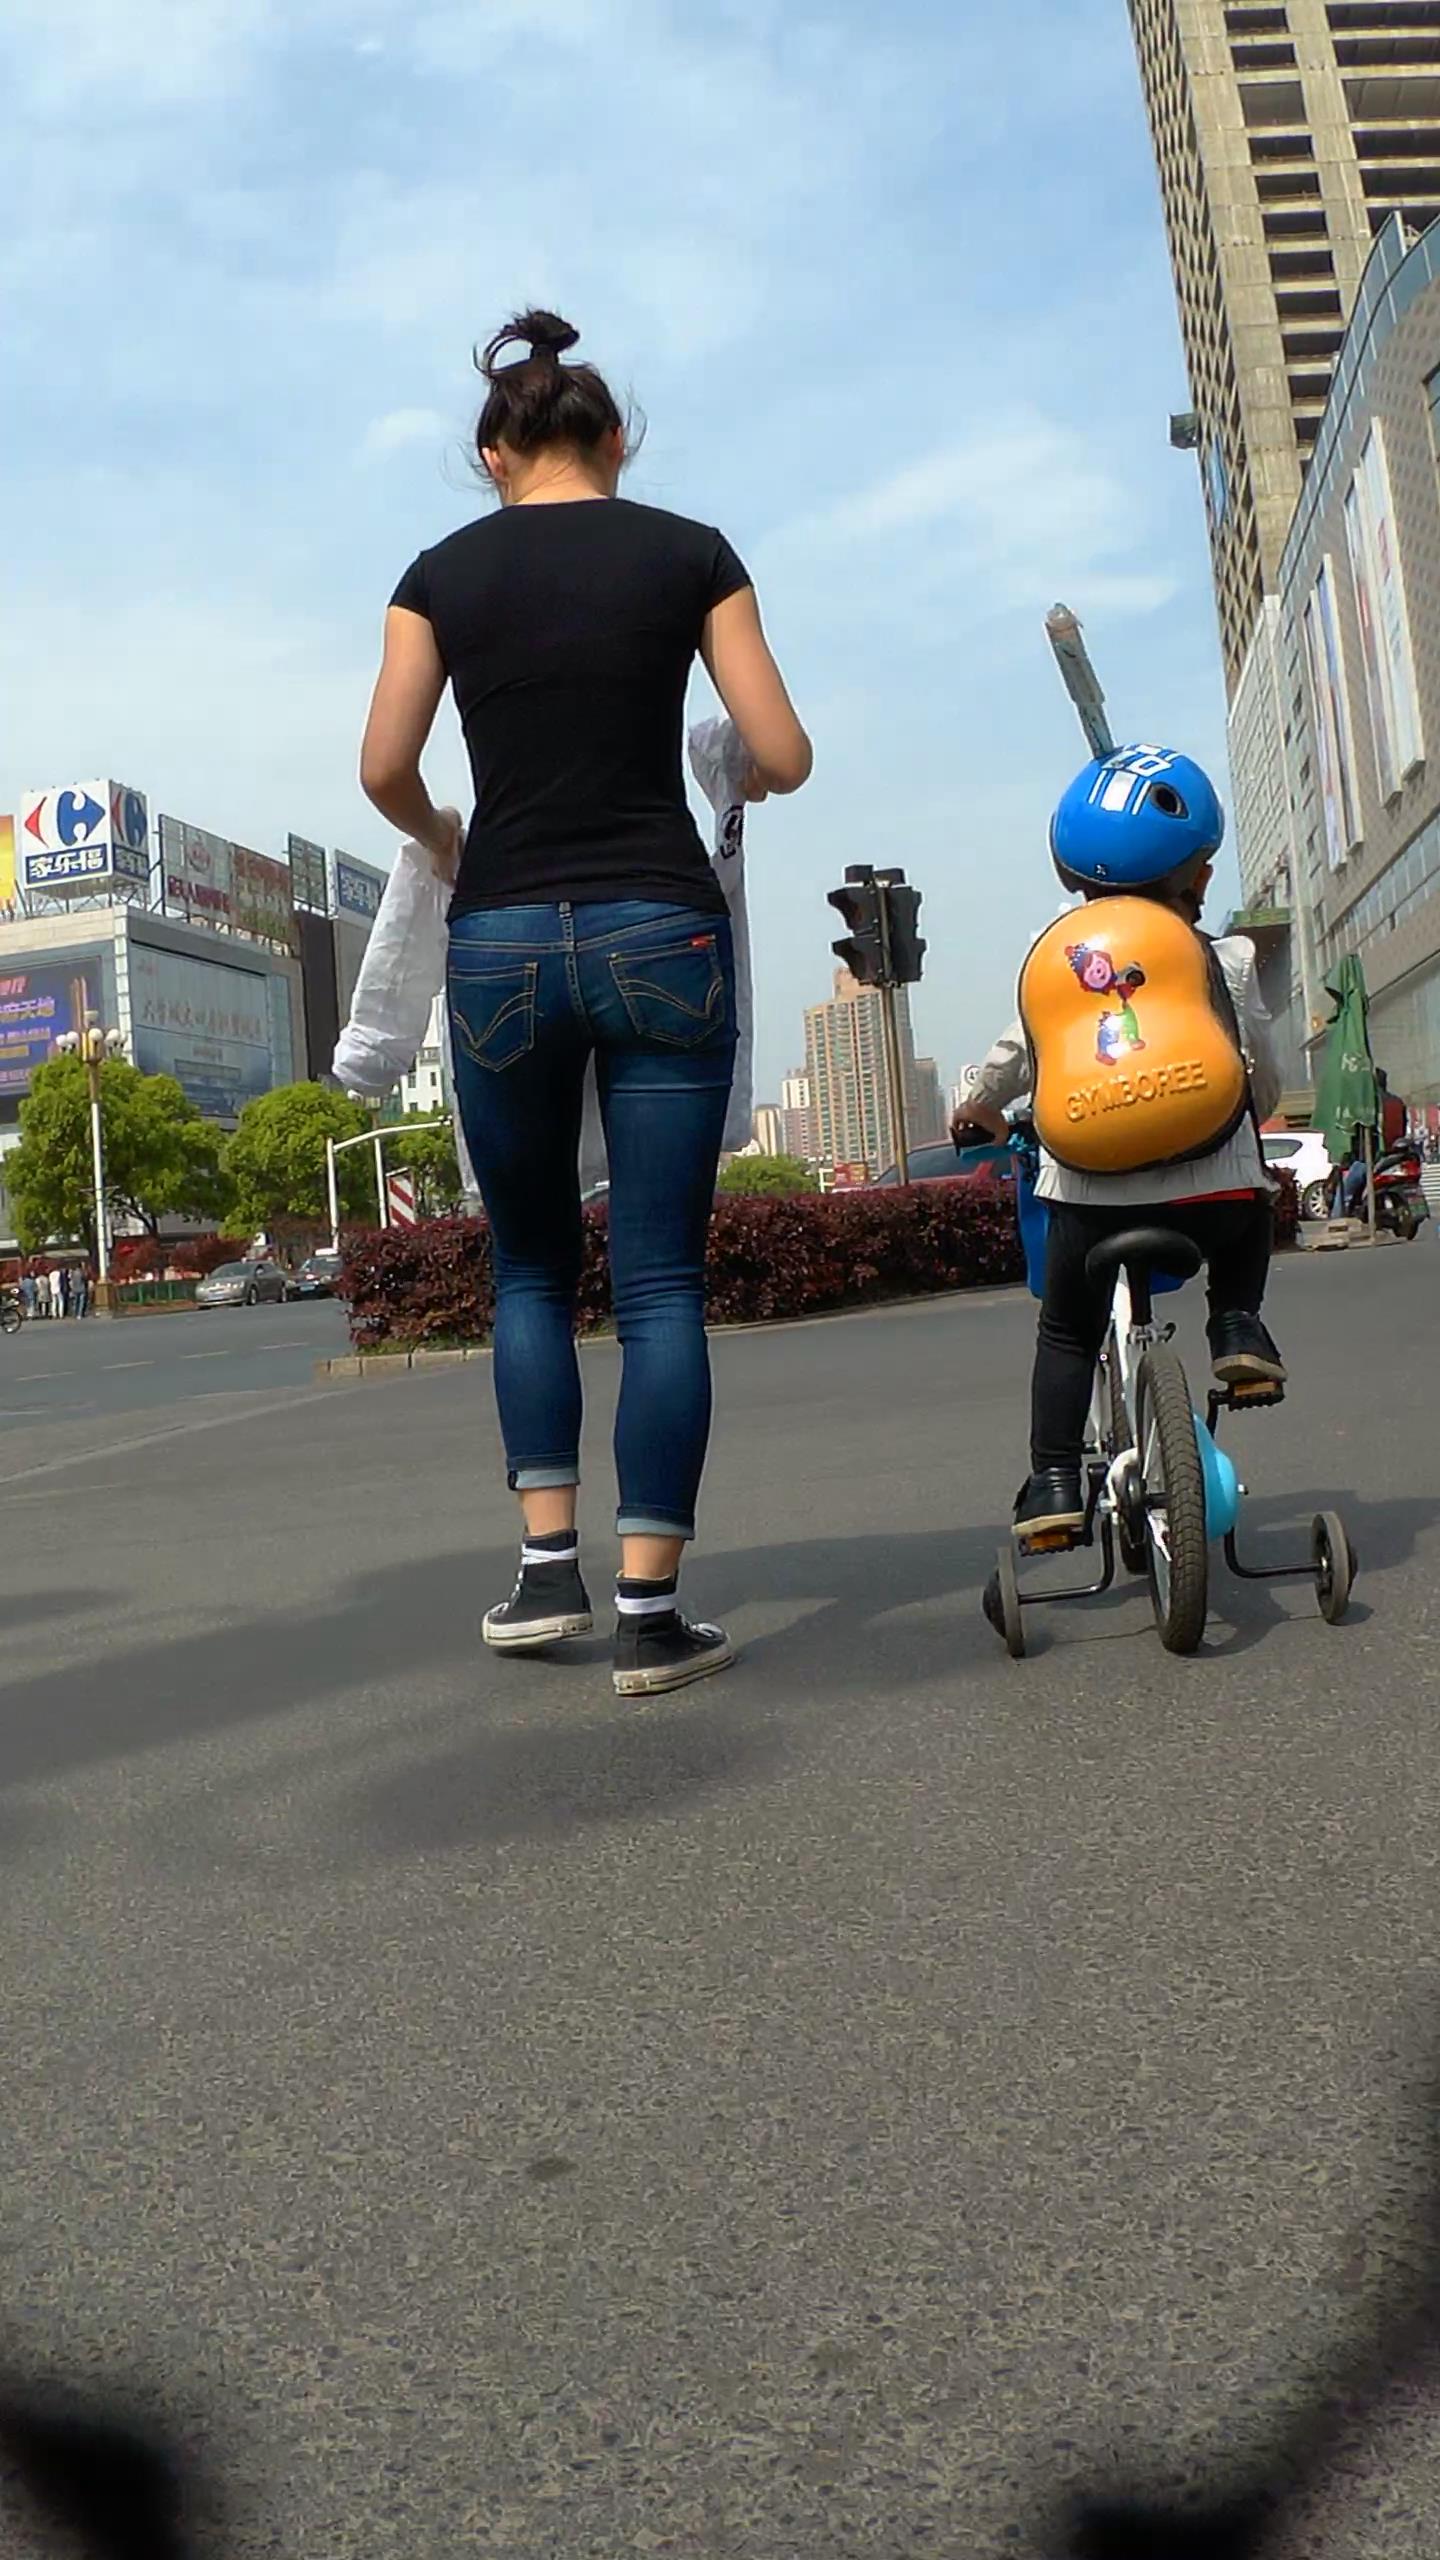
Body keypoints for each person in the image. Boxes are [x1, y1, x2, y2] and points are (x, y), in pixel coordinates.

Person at [360, 307, 812, 1695]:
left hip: (499, 939)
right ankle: (651, 1614)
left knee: (532, 1270)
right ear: (616, 441)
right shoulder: (693, 554)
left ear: (494, 455)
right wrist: (736, 765)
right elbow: (784, 751)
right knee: (661, 1280)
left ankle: (545, 1572)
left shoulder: (437, 576)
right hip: (660, 927)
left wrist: (445, 836)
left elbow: (382, 767)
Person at [958, 744, 1284, 1544]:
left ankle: (1055, 1483)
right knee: (1253, 1203)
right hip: (1214, 1198)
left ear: (1074, 876)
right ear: (1197, 876)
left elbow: (1017, 1057)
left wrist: (979, 1106)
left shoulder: (1055, 957)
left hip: (1091, 1203)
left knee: (1067, 1330)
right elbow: (1262, 1081)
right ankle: (1237, 1325)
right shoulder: (1228, 958)